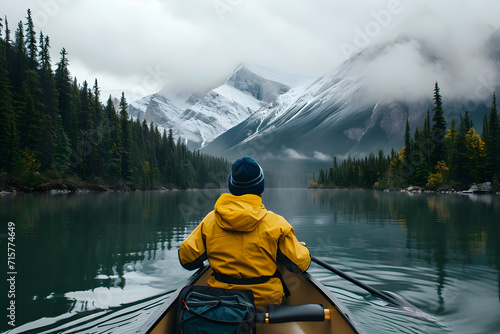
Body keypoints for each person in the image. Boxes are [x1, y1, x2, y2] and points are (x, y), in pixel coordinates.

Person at [178, 156, 310, 307]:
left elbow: (187, 259)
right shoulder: (276, 223)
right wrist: (301, 248)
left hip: (221, 303)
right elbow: (301, 263)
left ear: (232, 186)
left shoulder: (210, 220)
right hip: (265, 305)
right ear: (261, 186)